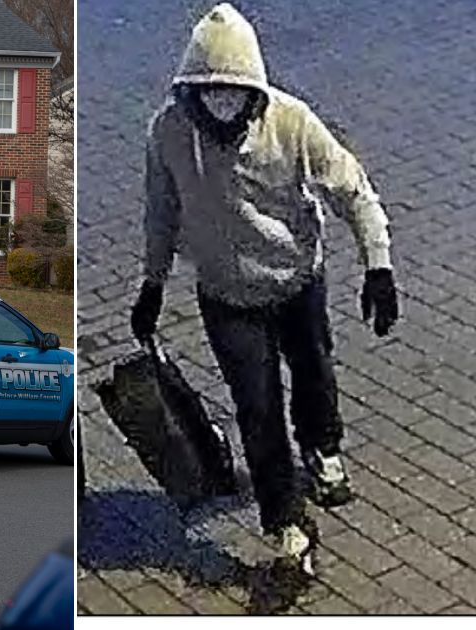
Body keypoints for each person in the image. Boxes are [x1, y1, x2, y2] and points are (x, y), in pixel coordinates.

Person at [131, 3, 399, 575]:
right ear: (191, 91)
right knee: (257, 407)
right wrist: (153, 282)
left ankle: (322, 448)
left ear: (253, 91)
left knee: (314, 372)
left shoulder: (292, 123)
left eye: (233, 93)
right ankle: (282, 518)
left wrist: (378, 266)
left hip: (296, 279)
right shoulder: (169, 132)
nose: (222, 106)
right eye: (211, 94)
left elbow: (353, 190)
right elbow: (161, 210)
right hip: (225, 295)